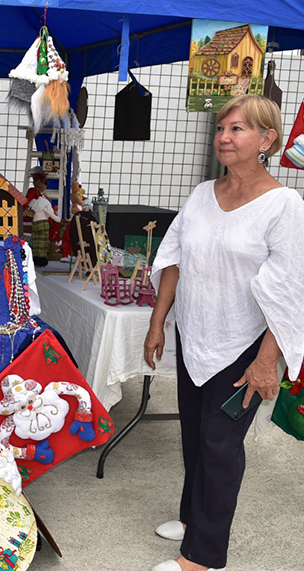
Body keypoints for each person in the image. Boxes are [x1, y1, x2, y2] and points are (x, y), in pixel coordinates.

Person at [144, 95, 304, 571]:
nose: (224, 137)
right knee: (194, 436)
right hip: (195, 335)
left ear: (267, 139)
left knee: (220, 447)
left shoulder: (284, 206)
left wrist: (266, 360)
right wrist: (158, 323)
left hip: (245, 344)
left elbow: (290, 289)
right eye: (221, 128)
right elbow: (173, 258)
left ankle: (203, 555)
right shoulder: (200, 194)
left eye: (237, 129)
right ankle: (194, 520)